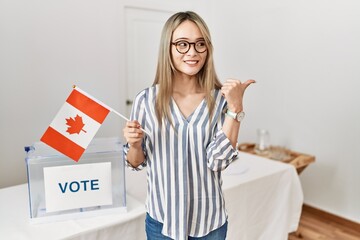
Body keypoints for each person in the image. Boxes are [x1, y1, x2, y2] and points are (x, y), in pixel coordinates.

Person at [123, 11, 255, 240]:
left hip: (209, 223)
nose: (192, 52)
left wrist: (235, 108)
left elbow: (217, 161)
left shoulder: (220, 100)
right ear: (168, 48)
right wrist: (135, 145)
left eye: (200, 44)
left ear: (208, 49)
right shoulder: (145, 100)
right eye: (182, 44)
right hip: (161, 221)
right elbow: (135, 162)